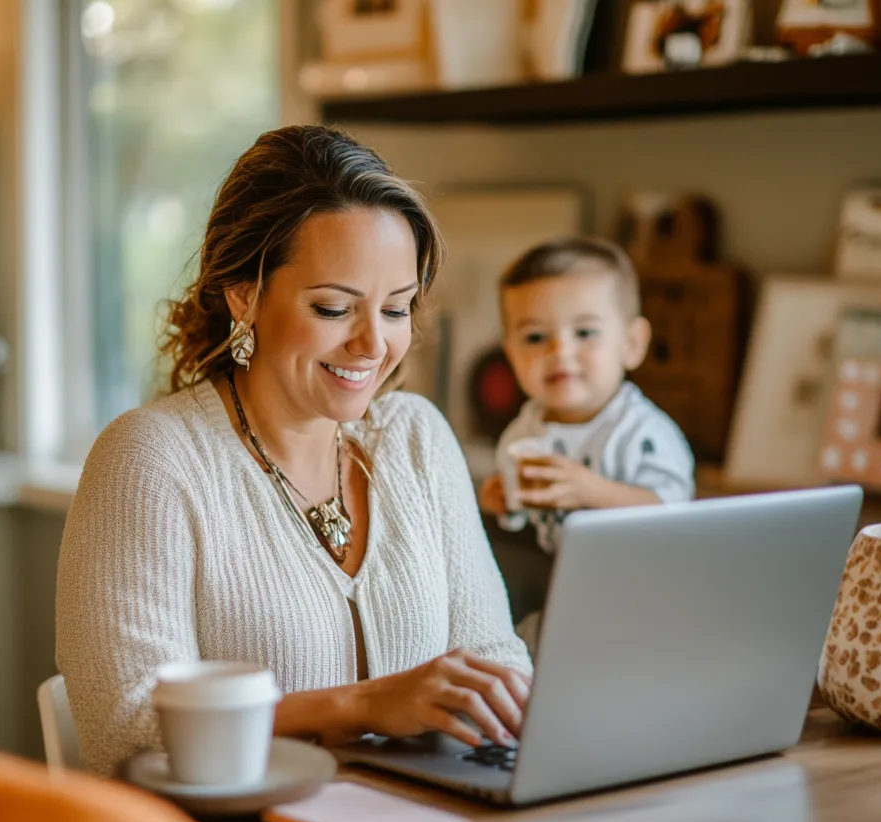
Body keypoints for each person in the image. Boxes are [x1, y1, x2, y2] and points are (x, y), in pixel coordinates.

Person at [56, 125, 532, 777]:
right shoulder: (150, 459)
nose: (373, 345)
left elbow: (495, 662)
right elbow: (127, 731)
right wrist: (363, 704)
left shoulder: (415, 439)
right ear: (245, 294)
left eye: (396, 310)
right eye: (335, 309)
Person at [476, 238, 695, 648]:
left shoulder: (641, 432)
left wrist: (590, 490)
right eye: (536, 338)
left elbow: (676, 515)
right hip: (566, 587)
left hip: (646, 590)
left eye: (585, 332)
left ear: (631, 344)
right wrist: (504, 502)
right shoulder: (523, 433)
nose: (561, 351)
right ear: (511, 354)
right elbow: (523, 521)